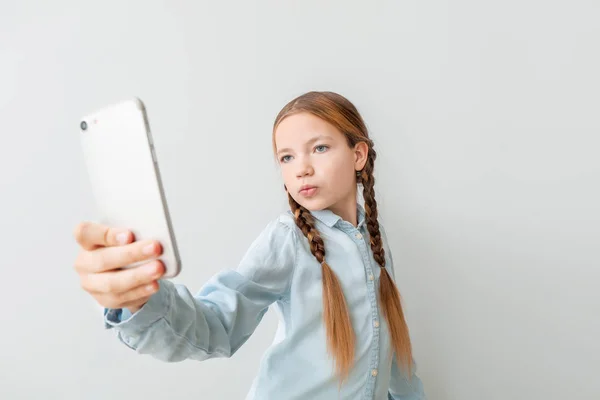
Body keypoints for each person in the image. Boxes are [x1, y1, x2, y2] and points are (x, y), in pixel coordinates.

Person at [73, 91, 426, 399]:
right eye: (286, 157)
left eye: (319, 148)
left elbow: (390, 353)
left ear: (358, 155)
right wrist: (141, 302)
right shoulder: (287, 239)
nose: (301, 168)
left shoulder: (375, 241)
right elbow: (217, 323)